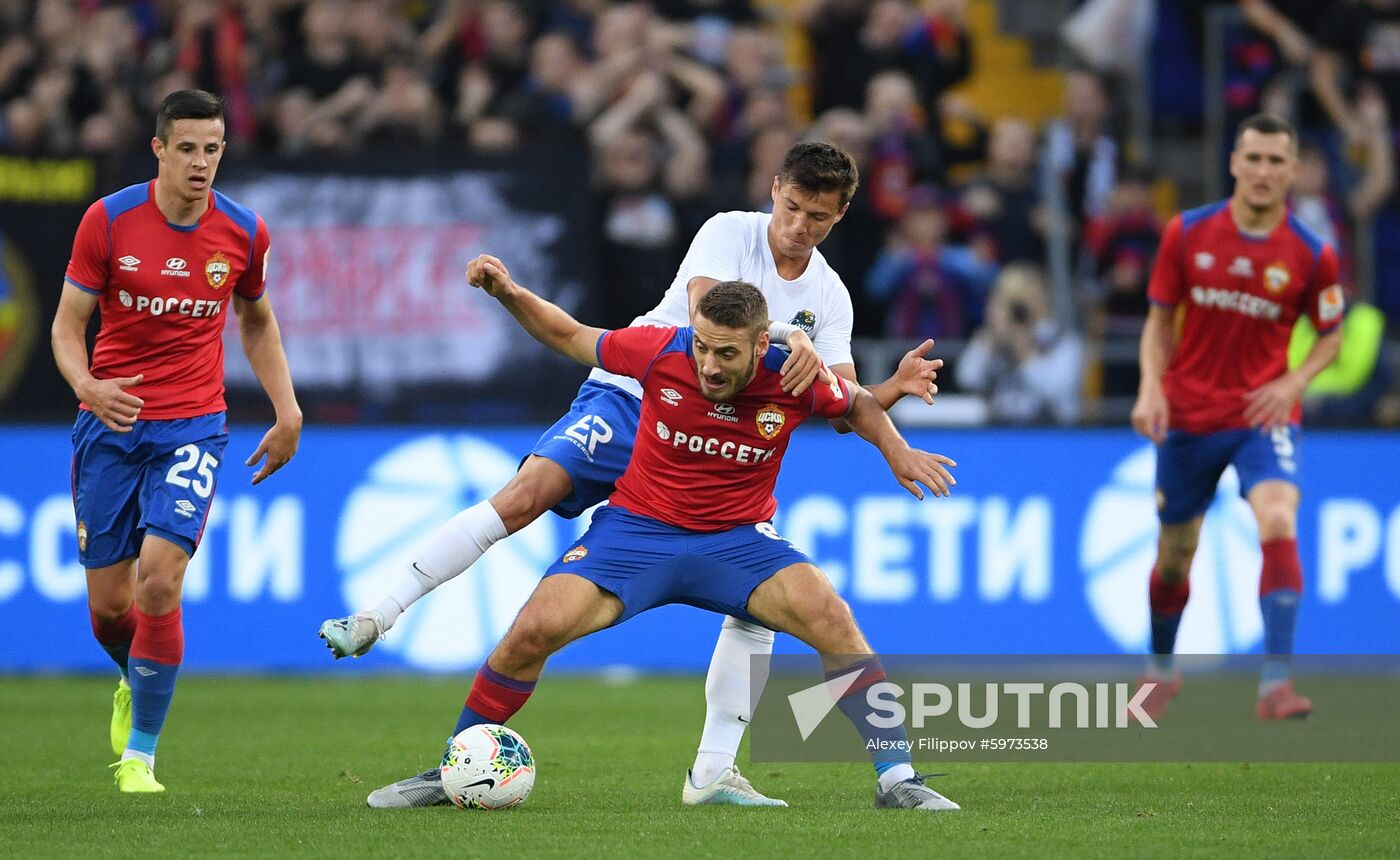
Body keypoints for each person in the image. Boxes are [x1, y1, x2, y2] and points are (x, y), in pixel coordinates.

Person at [320, 142, 942, 807]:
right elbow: (706, 321)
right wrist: (791, 341)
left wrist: (891, 397)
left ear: (842, 214)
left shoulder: (831, 297)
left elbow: (844, 402)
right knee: (532, 496)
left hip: (724, 485)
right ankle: (382, 618)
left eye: (817, 218)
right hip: (636, 397)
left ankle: (808, 777)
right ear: (774, 189)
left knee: (809, 610)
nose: (798, 227)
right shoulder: (720, 253)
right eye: (791, 207)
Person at [51, 89, 302, 793]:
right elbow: (68, 327)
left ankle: (141, 757)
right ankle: (134, 677)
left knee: (160, 580)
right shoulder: (108, 221)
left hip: (193, 423)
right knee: (109, 609)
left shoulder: (244, 232)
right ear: (158, 148)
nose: (200, 162)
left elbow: (256, 321)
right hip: (110, 424)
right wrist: (87, 386)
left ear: (224, 150)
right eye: (186, 148)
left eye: (212, 149)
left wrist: (287, 410)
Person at [1130, 113, 1343, 721]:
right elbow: (1160, 320)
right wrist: (1151, 388)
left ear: (1293, 171)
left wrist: (1295, 380)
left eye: (1277, 161)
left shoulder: (1310, 253)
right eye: (1254, 158)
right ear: (1234, 162)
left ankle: (1276, 684)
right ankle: (1161, 671)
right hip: (1189, 413)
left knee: (1278, 516)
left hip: (1261, 413)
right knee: (1177, 552)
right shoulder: (1188, 233)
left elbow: (1332, 334)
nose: (1263, 171)